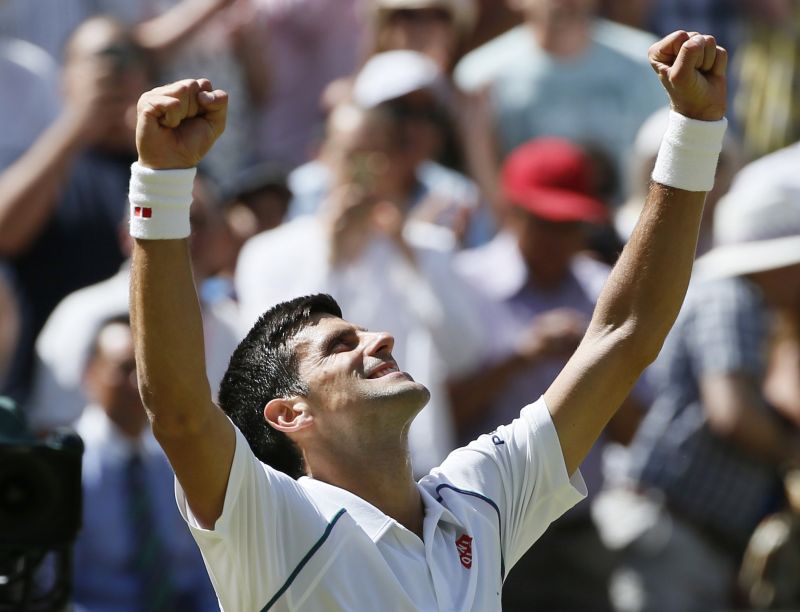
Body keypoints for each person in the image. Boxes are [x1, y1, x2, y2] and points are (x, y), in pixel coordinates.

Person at [128, 30, 728, 610]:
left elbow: (623, 335)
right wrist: (161, 182)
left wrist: (695, 132)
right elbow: (180, 410)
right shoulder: (273, 523)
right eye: (340, 344)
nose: (379, 338)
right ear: (290, 414)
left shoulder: (479, 499)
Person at [596, 170, 800, 611]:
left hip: (689, 537)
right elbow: (733, 412)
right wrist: (792, 453)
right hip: (673, 533)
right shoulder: (732, 297)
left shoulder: (748, 302)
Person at [73, 315, 218, 612]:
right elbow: (50, 590)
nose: (137, 384)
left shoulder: (174, 464)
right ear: (90, 374)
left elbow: (202, 570)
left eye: (146, 370)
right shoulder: (67, 470)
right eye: (124, 368)